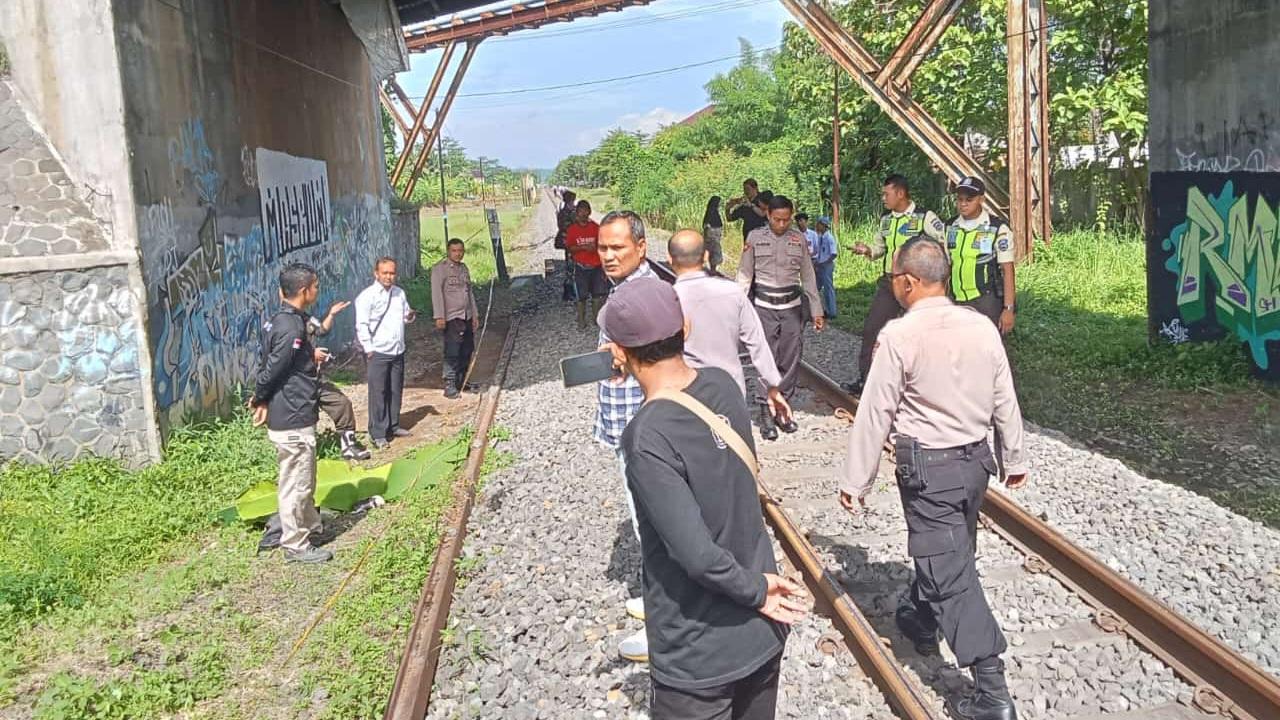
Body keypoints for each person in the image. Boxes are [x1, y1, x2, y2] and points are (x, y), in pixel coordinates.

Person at [839, 237, 1027, 720]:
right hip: (974, 466)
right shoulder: (982, 325)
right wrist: (1014, 456)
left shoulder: (900, 336)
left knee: (952, 571)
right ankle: (922, 618)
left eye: (895, 280)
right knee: (946, 550)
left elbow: (875, 410)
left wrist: (856, 479)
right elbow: (1004, 393)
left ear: (908, 281)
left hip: (929, 469)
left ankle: (991, 691)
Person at [604, 277, 809, 720]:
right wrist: (760, 591)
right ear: (687, 327)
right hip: (760, 636)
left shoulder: (646, 437)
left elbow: (695, 554)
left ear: (618, 352)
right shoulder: (722, 386)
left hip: (700, 653)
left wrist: (755, 592)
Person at [594, 210, 675, 663]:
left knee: (656, 526)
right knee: (649, 522)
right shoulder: (626, 289)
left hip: (643, 426)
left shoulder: (649, 294)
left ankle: (667, 625)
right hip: (628, 421)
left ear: (641, 247)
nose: (607, 256)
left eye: (617, 248)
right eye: (603, 248)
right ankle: (658, 601)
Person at [251, 263, 332, 564]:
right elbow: (273, 367)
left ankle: (310, 525)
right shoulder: (290, 327)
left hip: (296, 410)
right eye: (316, 286)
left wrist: (311, 356)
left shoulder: (282, 321)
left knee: (305, 476)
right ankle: (295, 544)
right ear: (304, 290)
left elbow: (280, 360)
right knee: (295, 481)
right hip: (292, 413)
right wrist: (260, 398)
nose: (317, 291)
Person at [668, 230, 791, 422]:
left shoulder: (667, 298)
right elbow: (757, 343)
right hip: (731, 390)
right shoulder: (733, 292)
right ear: (706, 255)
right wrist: (772, 386)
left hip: (687, 393)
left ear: (669, 259)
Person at [847, 174, 945, 395]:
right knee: (873, 329)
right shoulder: (886, 219)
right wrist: (868, 251)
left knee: (922, 335)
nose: (883, 198)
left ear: (900, 193)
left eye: (886, 193)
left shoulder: (924, 217)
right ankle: (867, 380)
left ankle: (926, 386)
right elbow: (879, 248)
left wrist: (939, 280)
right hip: (890, 284)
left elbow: (944, 243)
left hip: (916, 286)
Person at [736, 195, 824, 439]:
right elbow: (744, 276)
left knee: (789, 358)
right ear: (768, 216)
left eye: (786, 220)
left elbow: (808, 276)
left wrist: (816, 310)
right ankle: (765, 410)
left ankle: (783, 408)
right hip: (764, 306)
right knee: (766, 358)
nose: (782, 224)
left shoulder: (799, 240)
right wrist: (737, 309)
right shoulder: (754, 238)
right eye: (777, 219)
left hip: (791, 307)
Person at [356, 257, 416, 449]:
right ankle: (378, 433)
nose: (389, 277)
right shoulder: (367, 296)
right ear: (376, 274)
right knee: (378, 391)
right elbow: (361, 325)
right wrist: (369, 349)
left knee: (395, 389)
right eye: (385, 273)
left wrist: (410, 316)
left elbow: (405, 316)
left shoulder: (400, 293)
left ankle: (393, 424)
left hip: (398, 349)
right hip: (378, 351)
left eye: (392, 273)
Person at [945, 176, 1017, 334]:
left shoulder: (997, 228)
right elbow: (945, 267)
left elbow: (1008, 270)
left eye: (969, 199)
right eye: (960, 199)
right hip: (957, 301)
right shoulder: (950, 227)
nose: (963, 204)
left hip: (986, 301)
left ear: (981, 199)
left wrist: (1008, 309)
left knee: (989, 352)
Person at [306, 301, 371, 461]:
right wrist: (311, 354)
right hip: (296, 383)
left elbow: (322, 330)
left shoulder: (305, 318)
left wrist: (332, 314)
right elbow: (284, 353)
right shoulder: (285, 323)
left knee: (341, 403)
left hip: (315, 378)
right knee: (306, 416)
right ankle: (308, 452)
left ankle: (348, 446)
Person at [431, 238, 480, 399]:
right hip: (452, 317)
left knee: (467, 349)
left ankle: (462, 380)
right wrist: (439, 316)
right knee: (453, 351)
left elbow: (469, 292)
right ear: (448, 251)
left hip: (466, 315)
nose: (458, 254)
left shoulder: (464, 269)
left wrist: (474, 314)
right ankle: (450, 384)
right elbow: (436, 294)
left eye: (460, 250)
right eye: (454, 251)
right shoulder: (440, 269)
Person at [564, 199, 607, 327]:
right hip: (581, 267)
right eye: (581, 211)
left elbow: (603, 246)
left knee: (597, 294)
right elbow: (569, 248)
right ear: (577, 213)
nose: (583, 214)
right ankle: (581, 320)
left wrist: (597, 249)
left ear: (589, 212)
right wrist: (583, 248)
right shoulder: (572, 230)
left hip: (596, 266)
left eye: (586, 211)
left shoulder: (596, 228)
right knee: (581, 296)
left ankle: (596, 319)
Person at [810, 216, 839, 320]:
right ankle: (818, 310)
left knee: (828, 288)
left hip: (826, 265)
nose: (817, 226)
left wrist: (825, 262)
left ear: (823, 225)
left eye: (819, 224)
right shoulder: (820, 237)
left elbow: (834, 254)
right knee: (815, 287)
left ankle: (832, 311)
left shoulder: (829, 238)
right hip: (820, 265)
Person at [702, 196, 725, 274]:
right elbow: (707, 225)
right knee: (714, 251)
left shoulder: (712, 211)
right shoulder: (712, 212)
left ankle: (712, 269)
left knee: (711, 251)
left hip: (713, 234)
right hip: (712, 235)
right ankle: (713, 270)